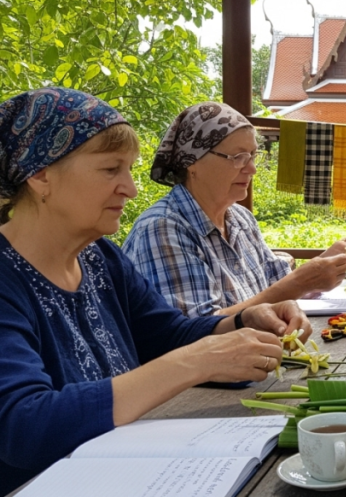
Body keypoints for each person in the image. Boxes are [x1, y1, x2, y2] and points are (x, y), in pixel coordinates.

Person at [0, 89, 308, 494]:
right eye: (111, 169)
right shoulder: (8, 279)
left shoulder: (100, 259)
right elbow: (23, 425)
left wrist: (240, 321)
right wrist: (193, 363)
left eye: (128, 170)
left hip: (133, 472)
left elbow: (165, 335)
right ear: (40, 175)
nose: (129, 187)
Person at [122, 102, 346, 318]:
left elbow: (274, 283)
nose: (251, 169)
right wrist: (297, 284)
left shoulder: (239, 217)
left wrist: (329, 260)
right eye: (238, 157)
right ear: (192, 163)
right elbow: (193, 333)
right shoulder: (162, 230)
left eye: (253, 155)